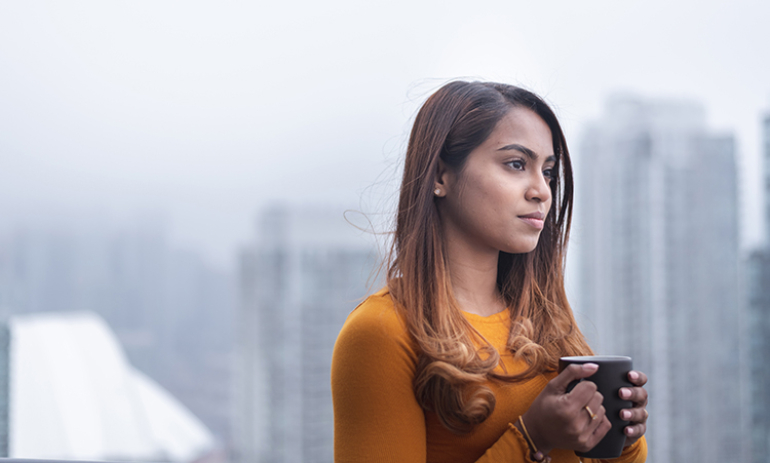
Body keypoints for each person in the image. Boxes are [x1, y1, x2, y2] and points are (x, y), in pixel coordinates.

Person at [331, 81, 648, 463]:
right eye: (516, 164)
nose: (542, 191)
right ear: (440, 176)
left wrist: (621, 433)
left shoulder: (545, 323)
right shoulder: (382, 331)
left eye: (547, 172)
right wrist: (532, 438)